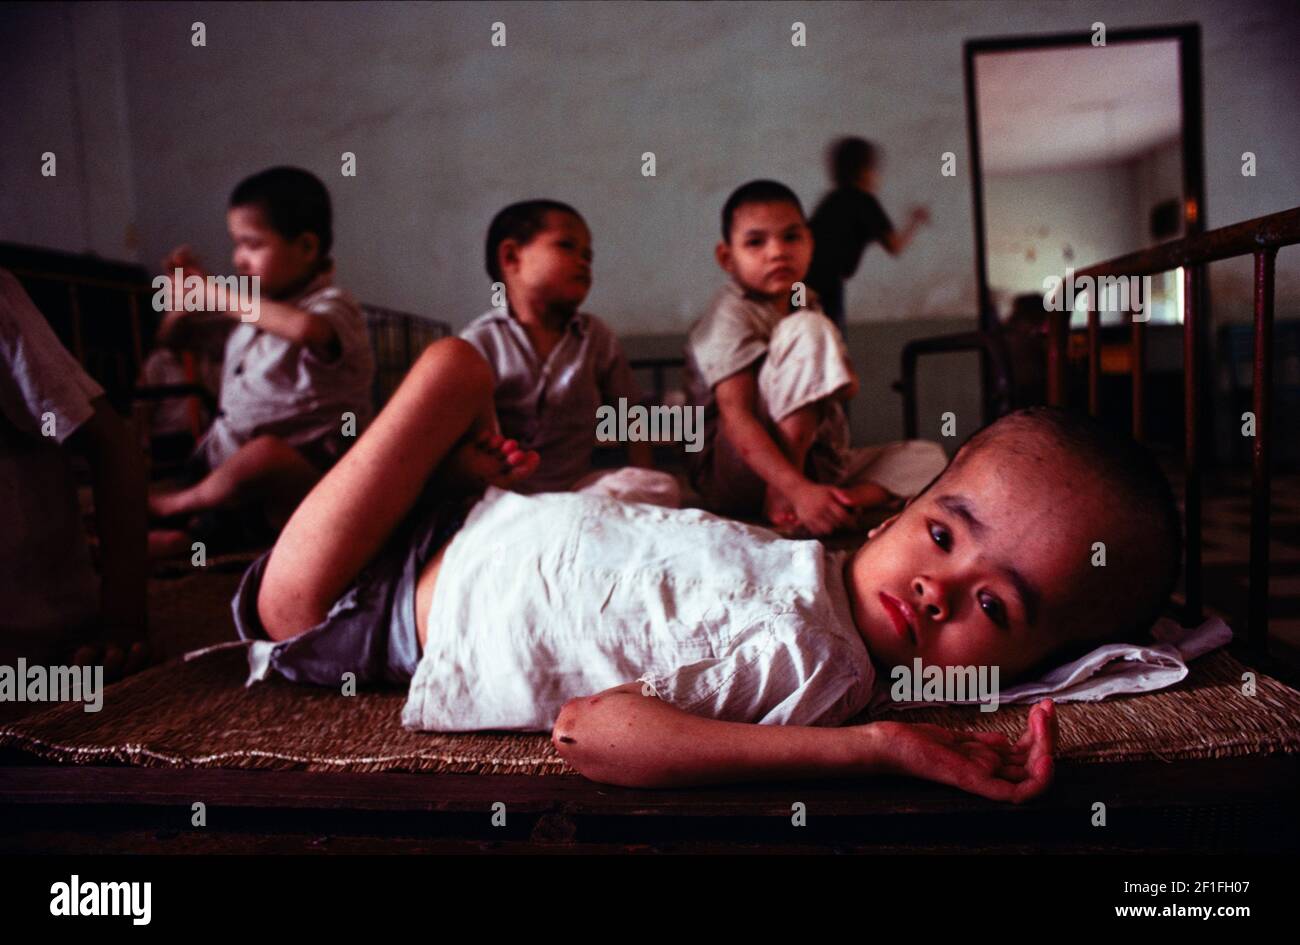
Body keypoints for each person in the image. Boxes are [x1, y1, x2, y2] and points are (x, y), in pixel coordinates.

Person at [231, 330, 1181, 803]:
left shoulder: (820, 668)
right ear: (901, 507)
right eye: (943, 534)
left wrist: (876, 745)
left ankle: (222, 498)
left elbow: (588, 731)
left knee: (448, 367)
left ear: (1019, 673)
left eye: (996, 607)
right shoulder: (812, 572)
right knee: (484, 388)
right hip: (474, 520)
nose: (939, 587)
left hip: (353, 606)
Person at [684, 179, 946, 536]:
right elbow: (736, 417)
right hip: (737, 472)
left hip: (816, 461)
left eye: (791, 237)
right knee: (806, 327)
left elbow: (847, 386)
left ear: (811, 243)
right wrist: (793, 487)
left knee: (927, 458)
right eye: (755, 242)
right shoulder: (730, 314)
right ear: (727, 258)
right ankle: (787, 496)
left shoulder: (804, 298)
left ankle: (839, 500)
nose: (777, 251)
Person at [148, 167, 375, 552]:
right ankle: (192, 530)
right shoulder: (251, 316)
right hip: (219, 469)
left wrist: (218, 295)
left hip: (298, 486)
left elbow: (306, 330)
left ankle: (176, 511)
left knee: (266, 456)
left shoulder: (335, 307)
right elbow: (171, 343)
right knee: (214, 499)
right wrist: (183, 302)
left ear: (306, 247)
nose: (239, 260)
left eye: (253, 245)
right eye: (236, 245)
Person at [460, 199, 677, 506]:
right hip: (505, 498)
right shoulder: (479, 343)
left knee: (658, 486)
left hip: (576, 492)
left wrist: (642, 480)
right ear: (511, 257)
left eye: (588, 255)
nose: (583, 261)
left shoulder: (595, 337)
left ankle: (563, 523)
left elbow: (630, 413)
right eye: (566, 246)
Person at [0, 269, 150, 679]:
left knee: (261, 458)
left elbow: (112, 444)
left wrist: (123, 621)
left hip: (32, 647)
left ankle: (182, 509)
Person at [805, 136, 930, 331]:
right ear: (865, 171)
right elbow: (895, 246)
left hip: (803, 283)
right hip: (825, 285)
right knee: (832, 344)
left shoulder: (832, 200)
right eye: (875, 169)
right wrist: (915, 221)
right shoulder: (865, 201)